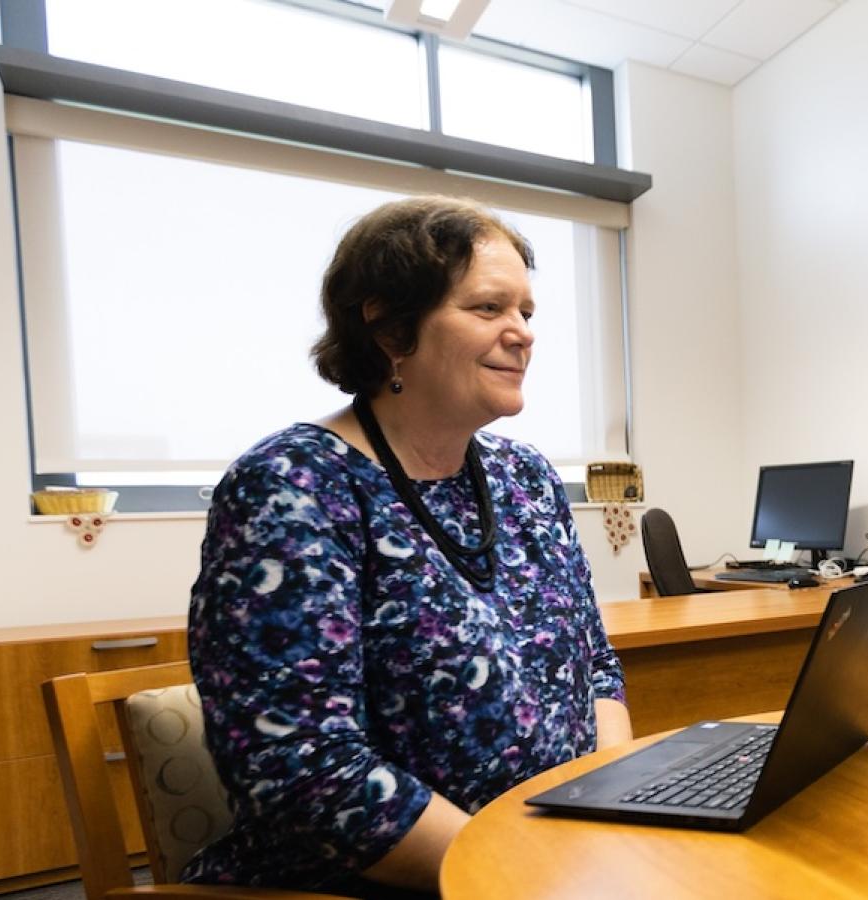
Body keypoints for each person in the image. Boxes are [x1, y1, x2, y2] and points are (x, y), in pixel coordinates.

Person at [184, 196, 632, 894]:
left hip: (560, 858)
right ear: (390, 328)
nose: (522, 334)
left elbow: (596, 671)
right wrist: (519, 870)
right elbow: (304, 770)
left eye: (527, 312)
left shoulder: (528, 477)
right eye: (489, 309)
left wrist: (615, 810)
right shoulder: (294, 486)